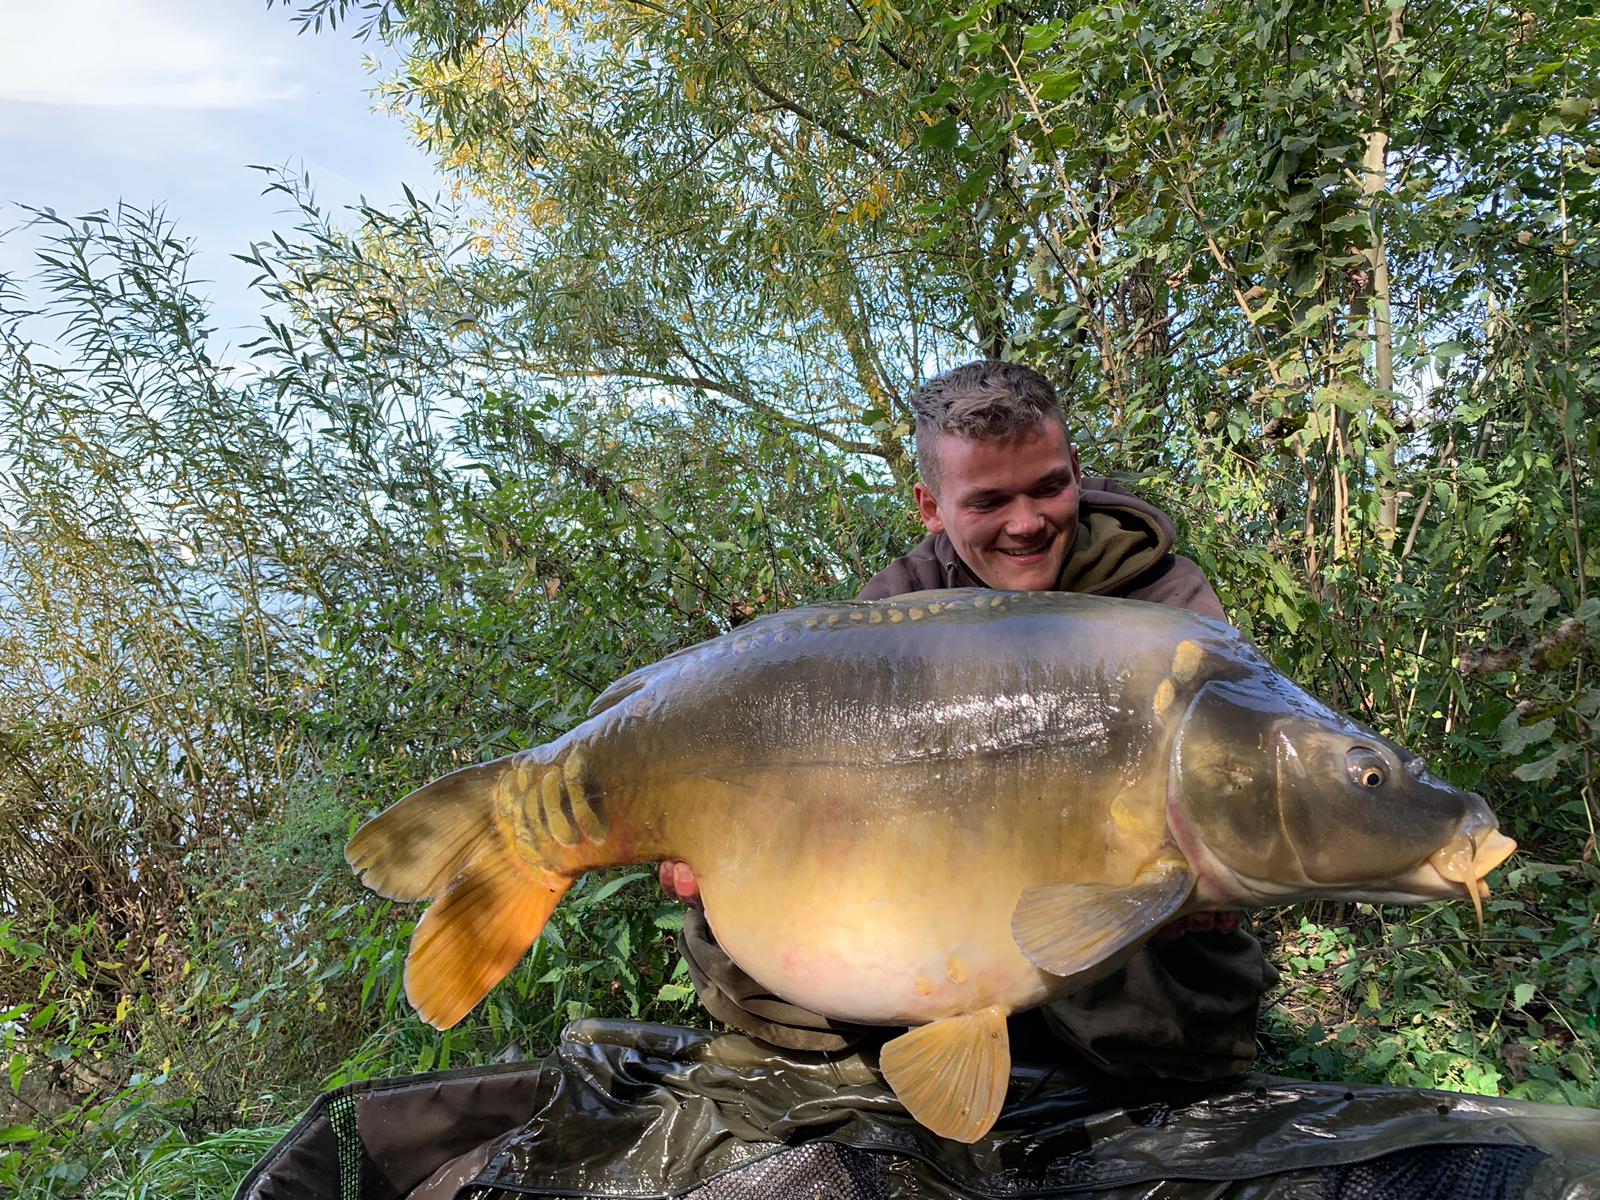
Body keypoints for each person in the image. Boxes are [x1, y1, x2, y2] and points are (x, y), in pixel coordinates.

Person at [659, 359, 1278, 1082]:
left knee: (1165, 974)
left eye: (1049, 487)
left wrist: (1216, 876)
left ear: (1076, 468)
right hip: (952, 884)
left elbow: (1237, 781)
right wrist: (721, 843)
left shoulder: (1166, 600)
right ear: (931, 506)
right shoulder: (892, 608)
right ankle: (920, 1052)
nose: (1027, 522)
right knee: (727, 924)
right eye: (988, 501)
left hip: (1111, 901)